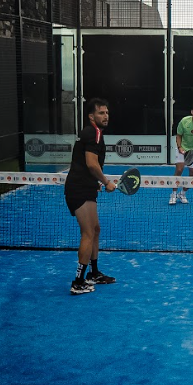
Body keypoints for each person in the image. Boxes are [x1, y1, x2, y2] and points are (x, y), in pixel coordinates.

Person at [64, 98, 117, 295]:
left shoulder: (94, 133)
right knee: (87, 233)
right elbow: (91, 164)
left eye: (107, 113)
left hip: (85, 187)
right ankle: (78, 281)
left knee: (95, 229)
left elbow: (85, 165)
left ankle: (93, 273)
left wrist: (95, 183)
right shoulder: (93, 132)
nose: (105, 116)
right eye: (101, 113)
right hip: (78, 189)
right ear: (91, 116)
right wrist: (106, 182)